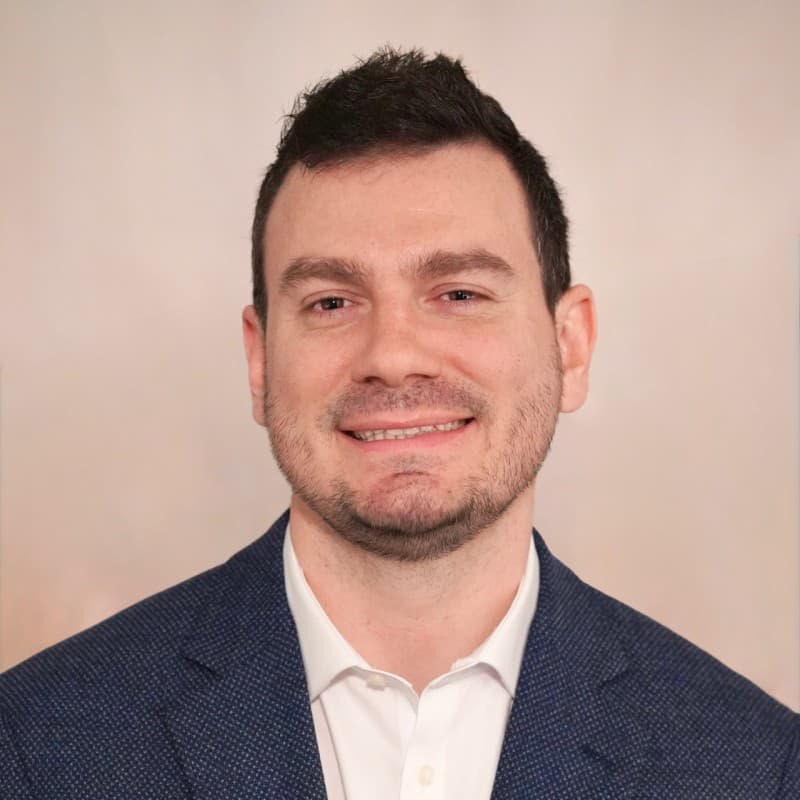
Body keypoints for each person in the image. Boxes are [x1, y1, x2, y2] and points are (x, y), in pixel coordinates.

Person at [1, 47, 797, 800]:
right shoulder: (35, 746)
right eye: (332, 303)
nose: (392, 356)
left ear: (570, 345)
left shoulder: (757, 768)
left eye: (458, 293)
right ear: (259, 358)